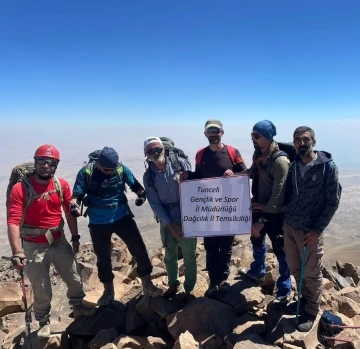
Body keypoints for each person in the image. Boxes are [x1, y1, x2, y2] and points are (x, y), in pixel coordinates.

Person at [7, 145, 96, 339]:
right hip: (33, 245)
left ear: (56, 165)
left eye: (51, 163)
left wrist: (75, 236)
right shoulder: (20, 188)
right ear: (35, 162)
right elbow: (13, 220)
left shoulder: (60, 184)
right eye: (42, 161)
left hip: (58, 240)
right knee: (42, 288)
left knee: (74, 278)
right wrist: (17, 252)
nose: (46, 166)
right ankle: (43, 321)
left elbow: (68, 213)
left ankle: (78, 307)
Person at [70, 146, 162, 305]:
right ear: (98, 164)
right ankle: (108, 291)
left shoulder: (120, 169)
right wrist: (74, 206)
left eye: (112, 169)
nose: (109, 172)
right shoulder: (86, 172)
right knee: (103, 258)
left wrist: (141, 196)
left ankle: (147, 284)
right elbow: (76, 196)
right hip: (98, 222)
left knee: (139, 249)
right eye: (106, 169)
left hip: (121, 216)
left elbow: (136, 186)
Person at [181, 119, 247, 297]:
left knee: (225, 246)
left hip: (228, 207)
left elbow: (246, 173)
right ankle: (212, 281)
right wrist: (188, 175)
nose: (213, 134)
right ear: (205, 134)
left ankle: (223, 279)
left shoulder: (232, 152)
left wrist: (234, 174)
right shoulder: (200, 154)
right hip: (207, 208)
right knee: (210, 246)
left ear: (222, 133)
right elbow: (199, 177)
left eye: (216, 131)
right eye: (210, 131)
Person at [284, 126, 341, 332]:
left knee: (311, 272)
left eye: (305, 139)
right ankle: (304, 300)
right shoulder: (293, 166)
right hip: (290, 226)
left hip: (310, 231)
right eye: (297, 140)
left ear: (314, 142)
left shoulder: (327, 168)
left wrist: (317, 229)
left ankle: (311, 310)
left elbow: (332, 202)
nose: (301, 143)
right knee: (296, 269)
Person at [240, 120, 292, 307]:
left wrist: (262, 220)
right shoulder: (259, 154)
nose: (252, 138)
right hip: (258, 206)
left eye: (257, 135)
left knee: (280, 249)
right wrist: (236, 177)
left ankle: (285, 288)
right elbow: (252, 172)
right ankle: (258, 270)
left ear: (268, 138)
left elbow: (278, 197)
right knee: (256, 239)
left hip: (275, 214)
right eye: (252, 134)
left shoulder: (280, 161)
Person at [143, 137, 197, 302]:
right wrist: (171, 227)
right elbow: (155, 204)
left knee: (189, 254)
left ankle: (189, 289)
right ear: (146, 154)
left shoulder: (180, 163)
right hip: (167, 216)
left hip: (186, 213)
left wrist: (188, 176)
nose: (155, 153)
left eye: (158, 149)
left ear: (163, 149)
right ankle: (173, 284)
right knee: (170, 254)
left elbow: (196, 183)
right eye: (151, 151)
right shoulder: (149, 176)